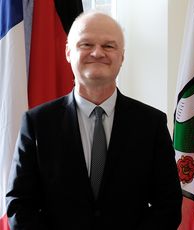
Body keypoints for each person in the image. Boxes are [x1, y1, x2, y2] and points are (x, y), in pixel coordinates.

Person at [6, 11, 182, 230]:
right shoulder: (37, 123)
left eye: (109, 46)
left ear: (122, 56)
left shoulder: (151, 124)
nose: (98, 53)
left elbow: (168, 205)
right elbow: (19, 205)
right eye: (86, 44)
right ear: (69, 52)